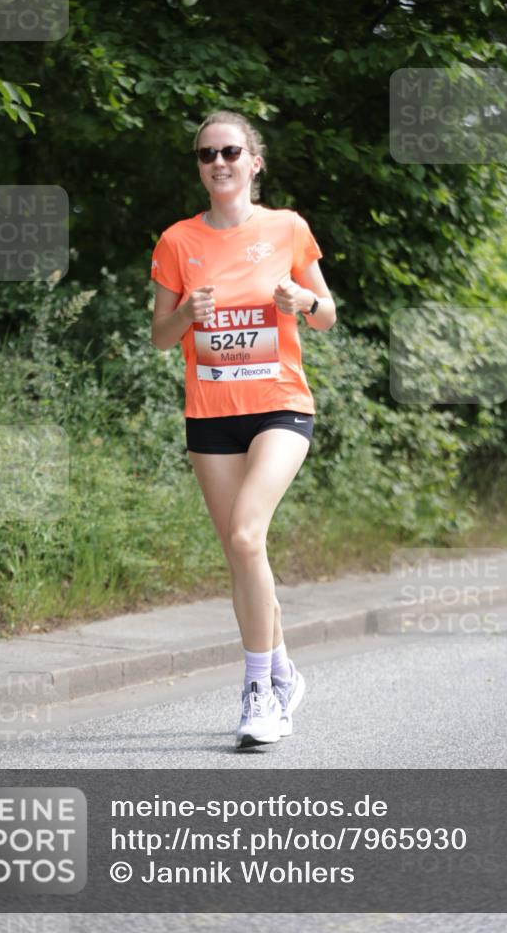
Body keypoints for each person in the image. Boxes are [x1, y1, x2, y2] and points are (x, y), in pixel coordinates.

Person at [150, 110, 336, 749]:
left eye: (231, 151)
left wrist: (301, 302)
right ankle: (282, 668)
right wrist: (188, 315)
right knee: (241, 552)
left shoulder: (287, 228)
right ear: (200, 167)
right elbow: (159, 335)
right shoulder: (177, 241)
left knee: (246, 531)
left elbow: (328, 313)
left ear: (255, 162)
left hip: (280, 406)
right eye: (207, 155)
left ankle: (260, 689)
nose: (219, 162)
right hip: (210, 414)